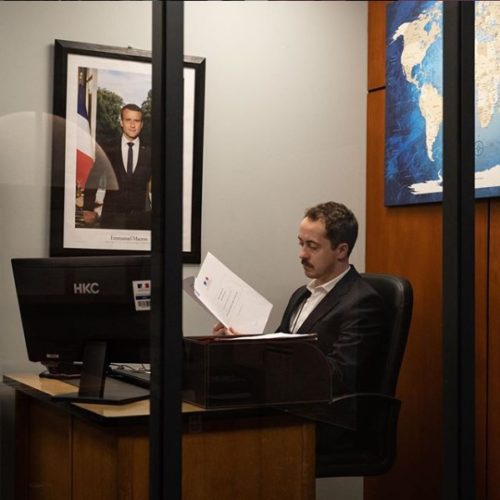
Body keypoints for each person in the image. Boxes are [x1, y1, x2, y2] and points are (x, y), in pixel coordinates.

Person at [213, 201, 387, 397]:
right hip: (285, 397)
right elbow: (278, 350)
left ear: (341, 251)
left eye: (312, 246)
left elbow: (337, 376)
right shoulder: (301, 294)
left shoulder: (363, 302)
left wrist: (255, 353)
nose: (302, 254)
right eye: (301, 243)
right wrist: (241, 342)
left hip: (322, 409)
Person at [82, 103, 151, 230]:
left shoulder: (150, 150)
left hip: (141, 219)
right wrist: (88, 208)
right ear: (121, 122)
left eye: (136, 121)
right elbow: (94, 177)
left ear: (141, 124)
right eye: (128, 120)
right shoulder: (108, 147)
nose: (132, 125)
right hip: (112, 217)